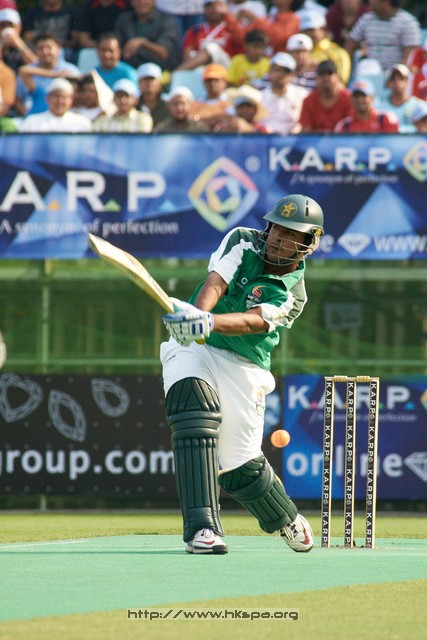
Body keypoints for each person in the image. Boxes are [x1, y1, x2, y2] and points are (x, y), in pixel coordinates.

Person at [160, 193, 324, 554]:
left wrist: (208, 321)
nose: (278, 238)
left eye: (290, 234)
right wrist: (197, 318)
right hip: (196, 346)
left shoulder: (293, 295)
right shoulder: (242, 240)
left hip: (244, 365)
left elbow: (252, 322)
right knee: (193, 412)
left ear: (308, 243)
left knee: (240, 469)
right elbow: (216, 283)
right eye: (276, 229)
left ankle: (285, 517)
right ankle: (202, 529)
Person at [345, 0, 421, 71]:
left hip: (395, 74)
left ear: (385, 1)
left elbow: (409, 58)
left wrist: (394, 75)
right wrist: (347, 71)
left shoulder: (408, 23)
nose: (369, 1)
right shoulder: (366, 19)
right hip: (370, 73)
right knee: (367, 65)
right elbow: (350, 44)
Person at [16, 32, 80, 117]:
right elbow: (18, 100)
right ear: (35, 50)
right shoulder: (30, 71)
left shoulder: (71, 70)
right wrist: (54, 74)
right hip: (36, 116)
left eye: (49, 47)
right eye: (40, 48)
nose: (45, 52)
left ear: (58, 49)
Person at [176, 0, 245, 71]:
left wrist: (227, 14)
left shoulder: (233, 27)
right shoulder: (195, 30)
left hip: (227, 68)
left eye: (218, 5)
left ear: (225, 7)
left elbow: (243, 43)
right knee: (193, 55)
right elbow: (187, 55)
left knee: (212, 47)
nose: (214, 9)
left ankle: (176, 73)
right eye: (209, 6)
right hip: (202, 69)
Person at [114, 0, 182, 70]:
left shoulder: (167, 21)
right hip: (129, 69)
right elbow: (116, 47)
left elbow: (164, 53)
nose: (142, 2)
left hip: (159, 70)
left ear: (153, 1)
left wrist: (142, 43)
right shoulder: (124, 20)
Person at [258, 51, 309, 134]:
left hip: (295, 139)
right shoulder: (259, 97)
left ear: (292, 74)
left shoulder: (302, 96)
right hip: (265, 139)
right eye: (276, 70)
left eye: (285, 71)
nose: (280, 75)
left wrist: (299, 129)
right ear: (269, 72)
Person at [18, 77, 92, 132]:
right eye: (56, 96)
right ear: (47, 98)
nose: (60, 101)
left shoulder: (82, 123)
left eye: (64, 97)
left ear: (71, 100)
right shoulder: (31, 122)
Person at [299, 59, 353, 131]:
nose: (326, 77)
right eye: (322, 74)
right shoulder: (309, 101)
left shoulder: (348, 99)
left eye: (329, 73)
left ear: (337, 77)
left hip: (342, 138)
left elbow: (353, 128)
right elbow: (305, 132)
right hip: (316, 138)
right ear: (317, 78)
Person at [299, 10, 351, 85]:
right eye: (305, 30)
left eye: (312, 30)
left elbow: (341, 82)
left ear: (323, 29)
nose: (308, 34)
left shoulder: (338, 52)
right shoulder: (298, 52)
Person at [334, 78, 399, 131]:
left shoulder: (386, 119)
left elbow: (393, 141)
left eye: (363, 96)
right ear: (351, 99)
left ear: (372, 98)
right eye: (356, 96)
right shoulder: (344, 126)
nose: (360, 100)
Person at [377, 63, 426, 133]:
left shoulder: (420, 106)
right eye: (393, 79)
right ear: (388, 83)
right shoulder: (379, 107)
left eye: (401, 78)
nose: (397, 82)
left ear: (407, 82)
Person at [190, 62, 231, 129]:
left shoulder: (231, 102)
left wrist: (202, 118)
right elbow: (191, 120)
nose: (212, 83)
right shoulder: (196, 104)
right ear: (204, 82)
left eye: (216, 80)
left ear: (224, 82)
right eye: (209, 80)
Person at [0, 7, 37, 72]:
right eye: (3, 26)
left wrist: (19, 45)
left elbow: (37, 65)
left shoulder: (28, 45)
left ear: (19, 28)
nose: (6, 28)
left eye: (11, 25)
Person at [135, 61, 169, 126]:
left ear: (159, 83)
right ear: (139, 82)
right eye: (145, 79)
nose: (149, 83)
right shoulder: (133, 105)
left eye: (152, 79)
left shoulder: (168, 105)